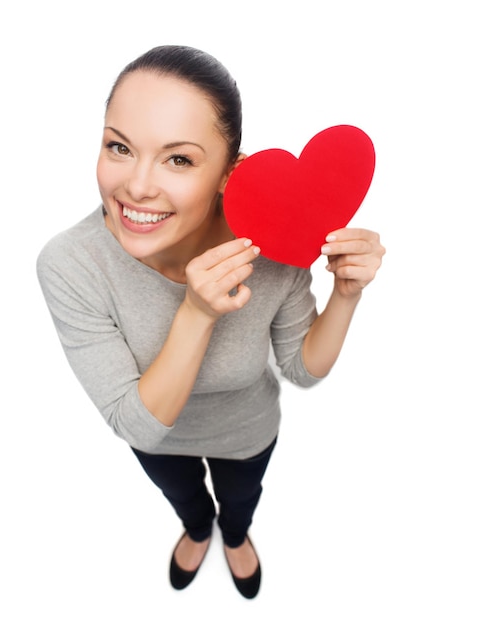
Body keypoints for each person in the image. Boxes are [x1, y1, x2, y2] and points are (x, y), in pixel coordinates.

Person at [36, 44, 385, 599]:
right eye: (119, 147)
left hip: (248, 432)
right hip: (160, 445)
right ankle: (198, 529)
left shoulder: (274, 243)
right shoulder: (71, 263)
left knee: (241, 498)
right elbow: (138, 424)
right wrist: (197, 312)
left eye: (178, 159)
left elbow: (302, 369)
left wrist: (345, 294)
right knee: (185, 500)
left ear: (229, 172)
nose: (137, 186)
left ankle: (236, 533)